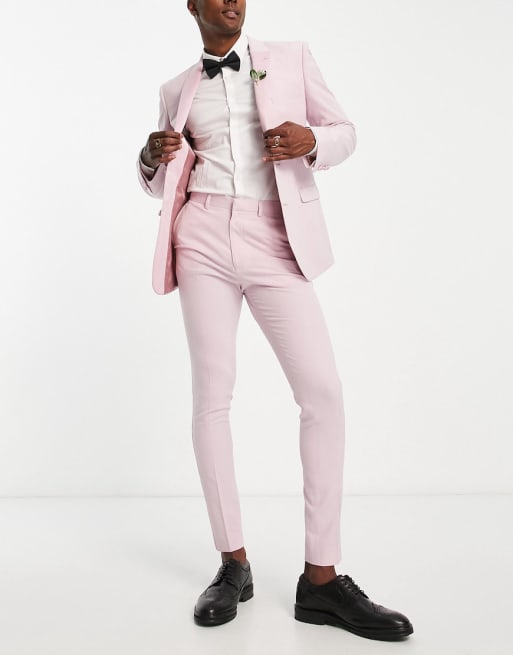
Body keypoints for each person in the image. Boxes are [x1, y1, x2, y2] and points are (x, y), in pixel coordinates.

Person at [137, 0, 413, 641]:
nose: (233, 1)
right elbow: (158, 183)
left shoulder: (291, 58)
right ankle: (232, 564)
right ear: (193, 5)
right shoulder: (175, 89)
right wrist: (150, 157)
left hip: (276, 236)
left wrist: (313, 141)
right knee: (213, 396)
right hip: (201, 234)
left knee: (322, 394)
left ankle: (322, 580)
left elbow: (345, 130)